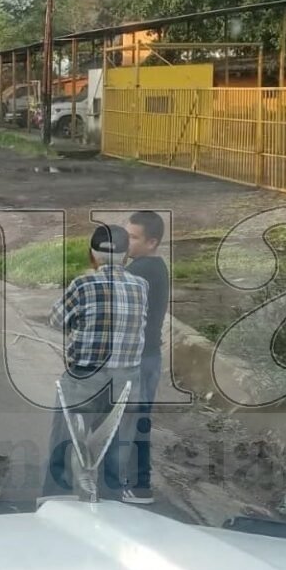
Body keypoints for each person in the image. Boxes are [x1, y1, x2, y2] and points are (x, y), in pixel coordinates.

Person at [41, 225, 149, 500]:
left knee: (65, 446)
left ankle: (57, 501)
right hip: (127, 382)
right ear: (126, 257)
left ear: (92, 255)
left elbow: (56, 321)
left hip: (84, 379)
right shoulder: (141, 286)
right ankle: (111, 506)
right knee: (116, 451)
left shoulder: (82, 285)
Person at [122, 211, 170, 505]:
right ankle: (130, 481)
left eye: (133, 237)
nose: (126, 242)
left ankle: (139, 486)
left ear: (152, 242)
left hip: (139, 358)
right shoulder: (150, 266)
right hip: (147, 356)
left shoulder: (141, 271)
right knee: (133, 420)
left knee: (134, 421)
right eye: (125, 234)